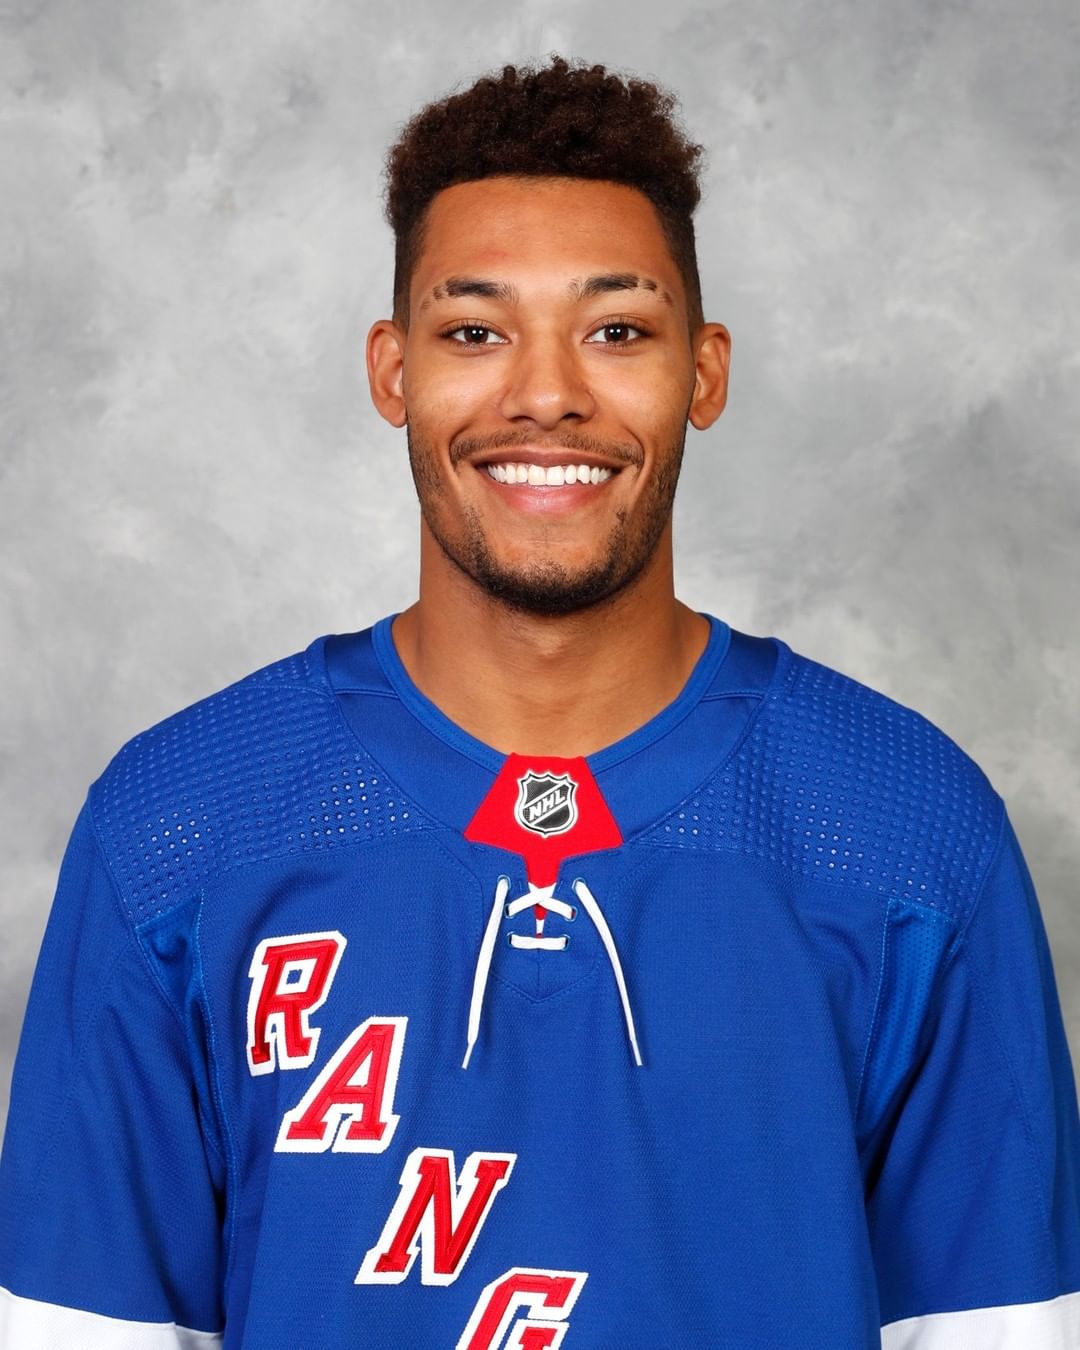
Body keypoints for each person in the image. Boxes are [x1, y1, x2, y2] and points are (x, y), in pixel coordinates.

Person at [1, 54, 1078, 1350]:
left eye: (617, 330)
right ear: (393, 372)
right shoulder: (176, 828)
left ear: (705, 373)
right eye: (475, 331)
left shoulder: (909, 830)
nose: (547, 391)